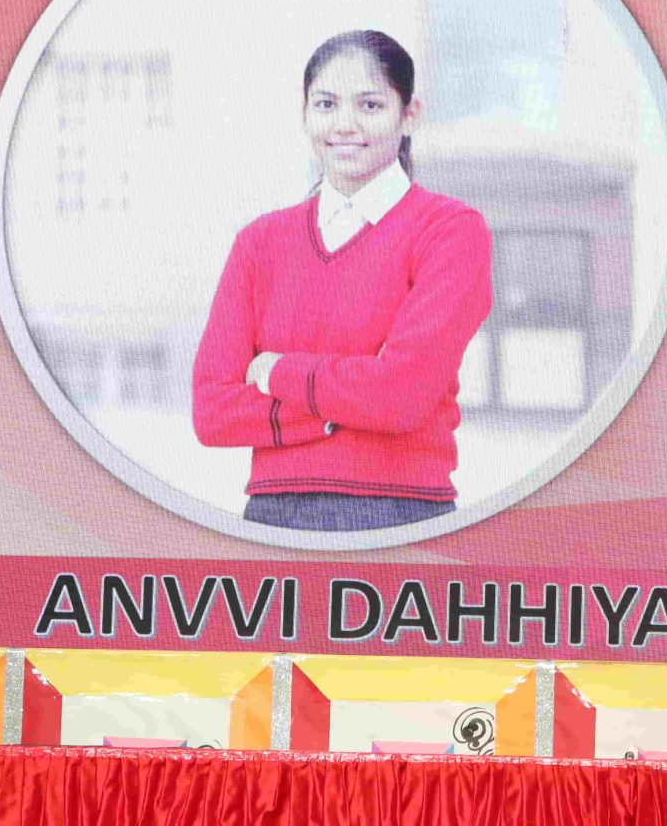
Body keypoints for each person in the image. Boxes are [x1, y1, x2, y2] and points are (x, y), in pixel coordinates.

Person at [192, 30, 492, 531]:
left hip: (400, 516)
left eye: (370, 105)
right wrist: (344, 408)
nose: (345, 125)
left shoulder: (450, 231)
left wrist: (276, 371)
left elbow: (401, 397)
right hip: (270, 520)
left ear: (410, 114)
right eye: (326, 104)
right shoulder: (260, 243)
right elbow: (212, 412)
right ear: (305, 114)